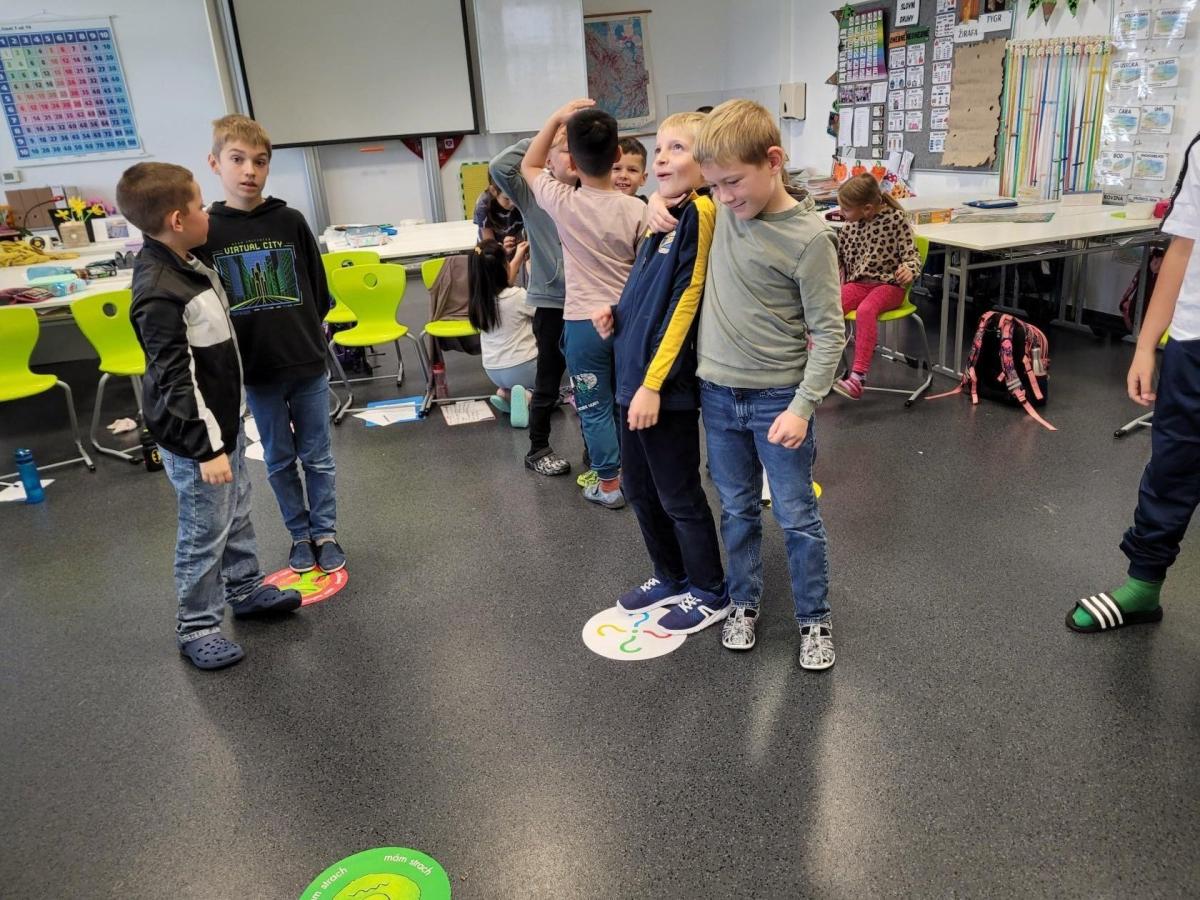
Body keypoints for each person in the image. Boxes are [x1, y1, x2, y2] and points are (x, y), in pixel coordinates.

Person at [647, 99, 845, 668]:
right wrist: (656, 202)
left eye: (733, 182)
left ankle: (814, 619)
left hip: (779, 400)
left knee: (797, 515)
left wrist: (803, 407)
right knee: (735, 510)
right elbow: (672, 185)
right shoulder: (716, 209)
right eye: (714, 185)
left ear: (773, 161)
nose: (725, 196)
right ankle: (743, 602)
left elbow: (830, 334)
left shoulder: (809, 238)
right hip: (716, 395)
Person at [118, 162, 301, 671]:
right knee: (204, 530)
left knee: (236, 509)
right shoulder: (159, 290)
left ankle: (244, 588)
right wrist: (207, 449)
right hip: (196, 437)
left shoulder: (186, 262)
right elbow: (174, 380)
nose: (208, 214)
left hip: (221, 422)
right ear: (177, 220)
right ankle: (197, 625)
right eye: (200, 206)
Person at [593, 112, 729, 634]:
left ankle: (710, 590)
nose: (664, 158)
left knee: (677, 493)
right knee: (639, 488)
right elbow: (646, 286)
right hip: (631, 377)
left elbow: (686, 297)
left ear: (706, 161)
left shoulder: (700, 211)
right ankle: (670, 574)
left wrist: (653, 383)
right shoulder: (662, 215)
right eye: (660, 148)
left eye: (678, 148)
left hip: (662, 387)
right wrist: (617, 311)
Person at [1067, 132, 1200, 633]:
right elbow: (1183, 250)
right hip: (1193, 340)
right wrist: (1146, 343)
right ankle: (1143, 586)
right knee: (1172, 466)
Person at [200, 115, 343, 576]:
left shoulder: (290, 221)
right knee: (279, 459)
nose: (249, 171)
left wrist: (301, 335)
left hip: (306, 362)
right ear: (215, 163)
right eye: (237, 159)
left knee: (318, 456)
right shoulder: (207, 231)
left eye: (260, 162)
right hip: (256, 371)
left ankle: (325, 532)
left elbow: (318, 292)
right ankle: (299, 534)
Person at [520, 99, 648, 510]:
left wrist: (555, 118)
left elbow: (529, 164)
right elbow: (647, 273)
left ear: (572, 162)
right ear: (617, 155)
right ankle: (638, 478)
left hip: (582, 325)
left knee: (593, 407)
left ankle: (609, 485)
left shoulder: (563, 200)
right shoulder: (639, 209)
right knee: (629, 401)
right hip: (629, 322)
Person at [490, 130, 579, 476]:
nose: (572, 157)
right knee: (547, 382)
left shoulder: (591, 194)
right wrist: (550, 131)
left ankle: (599, 455)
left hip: (592, 303)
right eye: (564, 150)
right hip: (552, 301)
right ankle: (538, 448)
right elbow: (500, 166)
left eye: (577, 150)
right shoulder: (534, 193)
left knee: (592, 384)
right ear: (548, 158)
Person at [832, 172, 922, 400]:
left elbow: (912, 256)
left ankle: (858, 377)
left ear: (867, 208)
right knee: (829, 307)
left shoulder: (896, 220)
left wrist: (908, 269)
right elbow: (838, 259)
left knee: (866, 310)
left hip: (889, 286)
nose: (841, 213)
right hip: (859, 284)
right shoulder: (849, 226)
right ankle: (817, 365)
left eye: (846, 209)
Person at [467, 238, 537, 427]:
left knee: (510, 384)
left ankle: (505, 394)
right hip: (523, 368)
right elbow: (541, 309)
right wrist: (531, 272)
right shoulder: (517, 296)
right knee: (549, 381)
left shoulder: (478, 302)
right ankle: (527, 395)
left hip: (494, 371)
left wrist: (517, 256)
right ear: (503, 268)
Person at [473, 173, 525, 254]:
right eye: (507, 199)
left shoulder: (523, 196)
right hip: (490, 249)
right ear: (493, 191)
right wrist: (503, 251)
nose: (513, 203)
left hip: (513, 242)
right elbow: (490, 246)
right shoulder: (483, 206)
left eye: (515, 197)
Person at [613, 137, 649, 201]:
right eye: (616, 168)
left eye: (632, 170)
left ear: (643, 179)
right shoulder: (595, 205)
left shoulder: (649, 206)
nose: (623, 175)